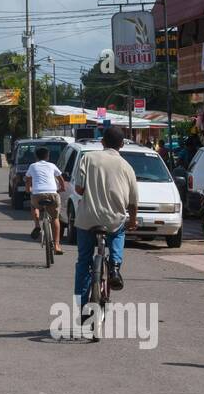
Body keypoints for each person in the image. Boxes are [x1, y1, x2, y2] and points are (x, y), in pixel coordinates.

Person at [72, 127, 139, 313]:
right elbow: (133, 203)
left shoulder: (88, 158)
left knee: (83, 261)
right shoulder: (127, 167)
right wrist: (132, 221)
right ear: (122, 145)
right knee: (118, 232)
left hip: (87, 219)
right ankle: (115, 267)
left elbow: (78, 189)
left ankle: (81, 306)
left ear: (102, 143)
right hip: (113, 220)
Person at [25, 146, 66, 255]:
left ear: (36, 157)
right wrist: (62, 188)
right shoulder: (52, 165)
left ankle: (37, 225)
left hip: (38, 194)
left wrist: (28, 189)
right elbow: (60, 178)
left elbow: (28, 179)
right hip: (52, 193)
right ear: (47, 156)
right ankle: (57, 245)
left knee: (34, 206)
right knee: (55, 218)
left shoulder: (32, 166)